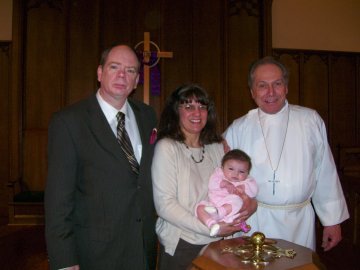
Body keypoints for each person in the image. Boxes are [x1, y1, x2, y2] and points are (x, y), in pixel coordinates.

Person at [45, 44, 158, 270]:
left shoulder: (147, 115)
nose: (121, 75)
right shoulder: (69, 122)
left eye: (130, 70)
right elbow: (58, 201)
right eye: (114, 67)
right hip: (95, 253)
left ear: (136, 81)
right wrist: (64, 260)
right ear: (99, 73)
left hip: (142, 247)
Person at [223, 56, 350, 251]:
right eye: (262, 85)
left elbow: (325, 171)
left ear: (286, 87)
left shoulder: (309, 120)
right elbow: (221, 177)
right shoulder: (239, 128)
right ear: (252, 92)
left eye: (277, 84)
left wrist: (331, 220)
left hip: (299, 223)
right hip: (254, 221)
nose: (271, 92)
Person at [151, 84, 257, 270]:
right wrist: (209, 228)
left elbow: (237, 182)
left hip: (218, 243)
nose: (197, 113)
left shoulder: (216, 147)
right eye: (188, 106)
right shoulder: (167, 148)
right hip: (183, 243)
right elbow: (165, 205)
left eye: (202, 106)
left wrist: (251, 203)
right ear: (176, 110)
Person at [196, 149, 258, 237]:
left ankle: (219, 214)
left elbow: (254, 190)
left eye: (241, 172)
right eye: (231, 169)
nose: (235, 174)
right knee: (200, 207)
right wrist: (223, 183)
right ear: (222, 168)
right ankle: (212, 225)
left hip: (229, 212)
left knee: (236, 200)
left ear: (247, 173)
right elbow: (212, 184)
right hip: (213, 206)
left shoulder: (247, 181)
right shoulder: (218, 174)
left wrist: (243, 188)